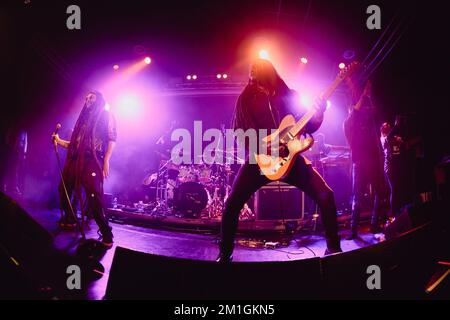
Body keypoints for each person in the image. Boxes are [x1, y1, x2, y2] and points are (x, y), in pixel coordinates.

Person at [216, 59, 342, 262]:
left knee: (326, 195)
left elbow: (308, 125)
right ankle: (225, 253)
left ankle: (334, 249)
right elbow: (239, 133)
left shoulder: (288, 95)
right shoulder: (245, 99)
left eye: (258, 68)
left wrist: (320, 113)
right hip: (259, 160)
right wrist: (261, 147)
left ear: (270, 71)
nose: (253, 72)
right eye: (252, 69)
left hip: (289, 158)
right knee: (232, 203)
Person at [52, 91, 116, 247]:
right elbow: (74, 145)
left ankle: (106, 233)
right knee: (64, 187)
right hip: (77, 159)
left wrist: (106, 160)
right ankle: (71, 218)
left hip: (93, 159)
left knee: (94, 196)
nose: (87, 99)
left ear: (99, 99)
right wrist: (58, 141)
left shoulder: (106, 115)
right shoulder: (82, 120)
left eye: (91, 97)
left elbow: (112, 138)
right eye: (86, 97)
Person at [343, 78, 385, 239]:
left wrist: (369, 95)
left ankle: (374, 225)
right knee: (358, 198)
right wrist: (363, 94)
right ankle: (353, 231)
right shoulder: (347, 123)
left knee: (379, 194)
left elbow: (374, 112)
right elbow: (355, 111)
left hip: (373, 161)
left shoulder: (367, 121)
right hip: (359, 163)